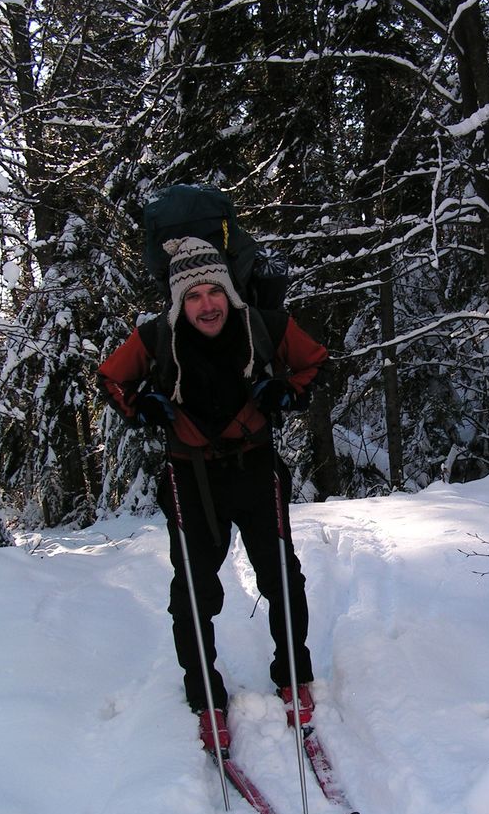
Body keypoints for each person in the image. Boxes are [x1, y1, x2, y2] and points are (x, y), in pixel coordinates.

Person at [97, 236, 329, 754]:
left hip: (256, 467)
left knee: (281, 575)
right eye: (194, 295)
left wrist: (286, 391)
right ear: (179, 301)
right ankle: (205, 695)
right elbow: (112, 380)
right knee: (194, 590)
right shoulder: (157, 336)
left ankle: (294, 675)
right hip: (189, 476)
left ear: (229, 292)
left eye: (214, 291)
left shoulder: (264, 327)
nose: (207, 304)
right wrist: (143, 406)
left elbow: (315, 362)